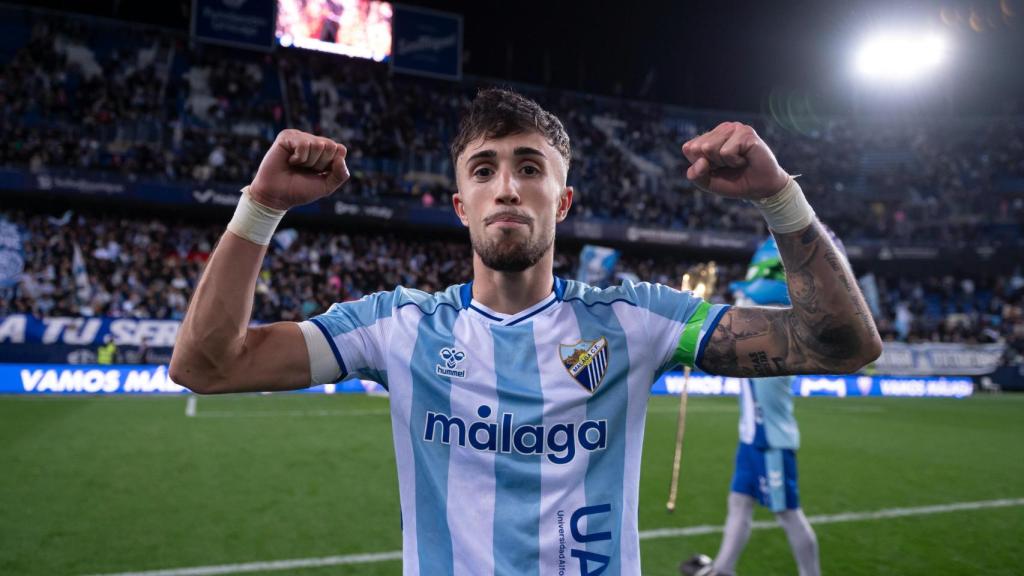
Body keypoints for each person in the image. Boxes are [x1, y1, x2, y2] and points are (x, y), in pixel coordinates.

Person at [169, 88, 881, 575]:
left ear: (562, 199)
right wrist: (260, 206)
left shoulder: (637, 320)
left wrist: (778, 198)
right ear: (460, 204)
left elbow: (842, 344)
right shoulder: (394, 326)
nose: (507, 186)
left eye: (529, 168)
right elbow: (209, 364)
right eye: (485, 170)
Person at [680, 235, 829, 576]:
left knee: (788, 514)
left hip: (770, 440)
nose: (741, 297)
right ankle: (723, 569)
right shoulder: (774, 321)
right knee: (739, 503)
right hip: (752, 438)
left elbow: (732, 342)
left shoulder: (775, 329)